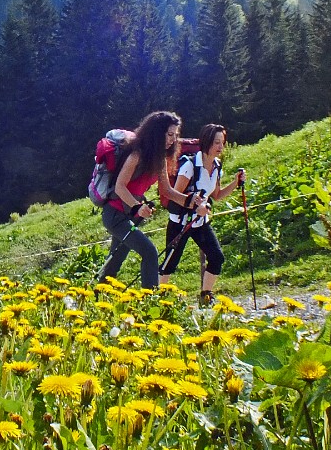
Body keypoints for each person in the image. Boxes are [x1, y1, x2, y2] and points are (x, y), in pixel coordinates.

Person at [98, 111, 203, 289]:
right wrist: (137, 207)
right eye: (170, 134)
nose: (173, 140)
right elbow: (120, 186)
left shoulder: (159, 159)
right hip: (115, 215)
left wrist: (191, 201)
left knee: (115, 261)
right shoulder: (136, 155)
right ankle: (150, 302)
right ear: (157, 132)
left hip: (130, 216)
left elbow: (168, 191)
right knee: (149, 252)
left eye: (175, 135)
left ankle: (95, 297)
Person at [158, 123, 244, 305]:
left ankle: (206, 296)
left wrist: (236, 183)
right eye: (216, 143)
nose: (220, 147)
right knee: (169, 264)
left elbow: (217, 195)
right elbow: (175, 197)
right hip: (180, 222)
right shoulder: (190, 166)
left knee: (216, 257)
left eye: (222, 142)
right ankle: (159, 300)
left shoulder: (217, 165)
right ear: (206, 142)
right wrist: (194, 207)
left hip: (200, 223)